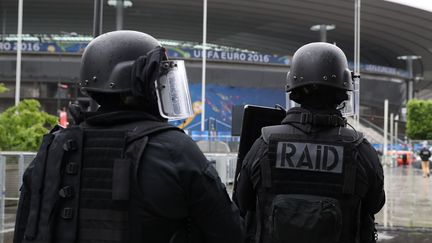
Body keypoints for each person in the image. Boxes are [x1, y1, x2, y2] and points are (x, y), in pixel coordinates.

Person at [14, 30, 244, 243]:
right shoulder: (175, 149)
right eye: (159, 79)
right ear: (143, 83)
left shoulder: (55, 148)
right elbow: (230, 233)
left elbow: (25, 228)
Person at [234, 42, 385, 243]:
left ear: (294, 89)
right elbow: (375, 204)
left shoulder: (264, 143)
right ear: (343, 91)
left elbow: (242, 202)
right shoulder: (360, 149)